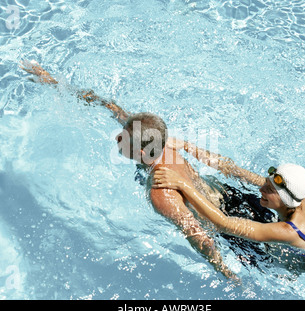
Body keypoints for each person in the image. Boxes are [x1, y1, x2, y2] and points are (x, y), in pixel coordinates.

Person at [19, 60, 243, 281]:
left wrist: (224, 271)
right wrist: (55, 84)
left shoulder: (160, 191)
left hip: (233, 227)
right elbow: (111, 106)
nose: (117, 137)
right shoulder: (157, 139)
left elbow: (201, 237)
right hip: (230, 194)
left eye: (123, 140)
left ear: (143, 154)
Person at [153, 141, 305, 295]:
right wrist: (186, 146)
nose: (262, 189)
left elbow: (224, 223)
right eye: (266, 183)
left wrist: (181, 183)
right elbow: (238, 171)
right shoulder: (296, 196)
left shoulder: (288, 231)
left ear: (285, 200)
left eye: (268, 189)